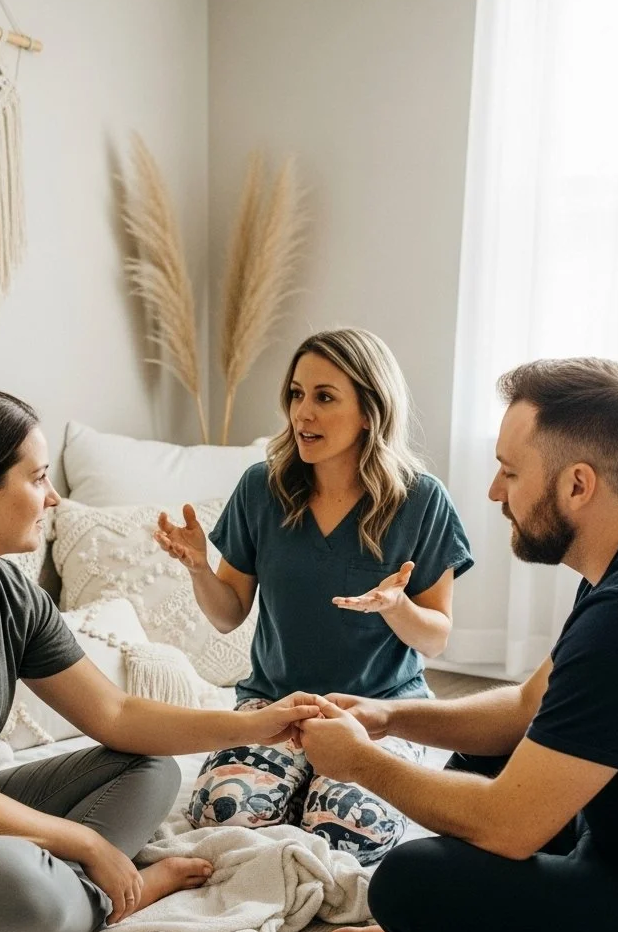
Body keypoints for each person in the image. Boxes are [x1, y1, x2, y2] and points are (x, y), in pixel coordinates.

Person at [0, 388, 320, 932]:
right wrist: (88, 844)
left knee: (148, 767)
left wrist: (255, 727)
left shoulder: (11, 594)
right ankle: (108, 899)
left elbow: (116, 715)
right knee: (28, 891)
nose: (52, 497)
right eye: (38, 478)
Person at [293, 357, 618, 932]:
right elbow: (527, 707)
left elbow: (509, 828)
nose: (496, 492)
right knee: (481, 757)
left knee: (409, 882)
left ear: (578, 484)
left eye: (511, 471)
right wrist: (388, 716)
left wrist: (361, 763)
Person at [155, 328, 472, 864]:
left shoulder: (421, 499)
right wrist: (198, 569)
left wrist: (398, 608)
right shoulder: (262, 486)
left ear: (370, 409)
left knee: (348, 832)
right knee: (220, 813)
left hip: (379, 709)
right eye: (297, 394)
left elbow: (436, 639)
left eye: (325, 397)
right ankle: (295, 783)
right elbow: (228, 614)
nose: (303, 413)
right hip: (276, 705)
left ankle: (322, 789)